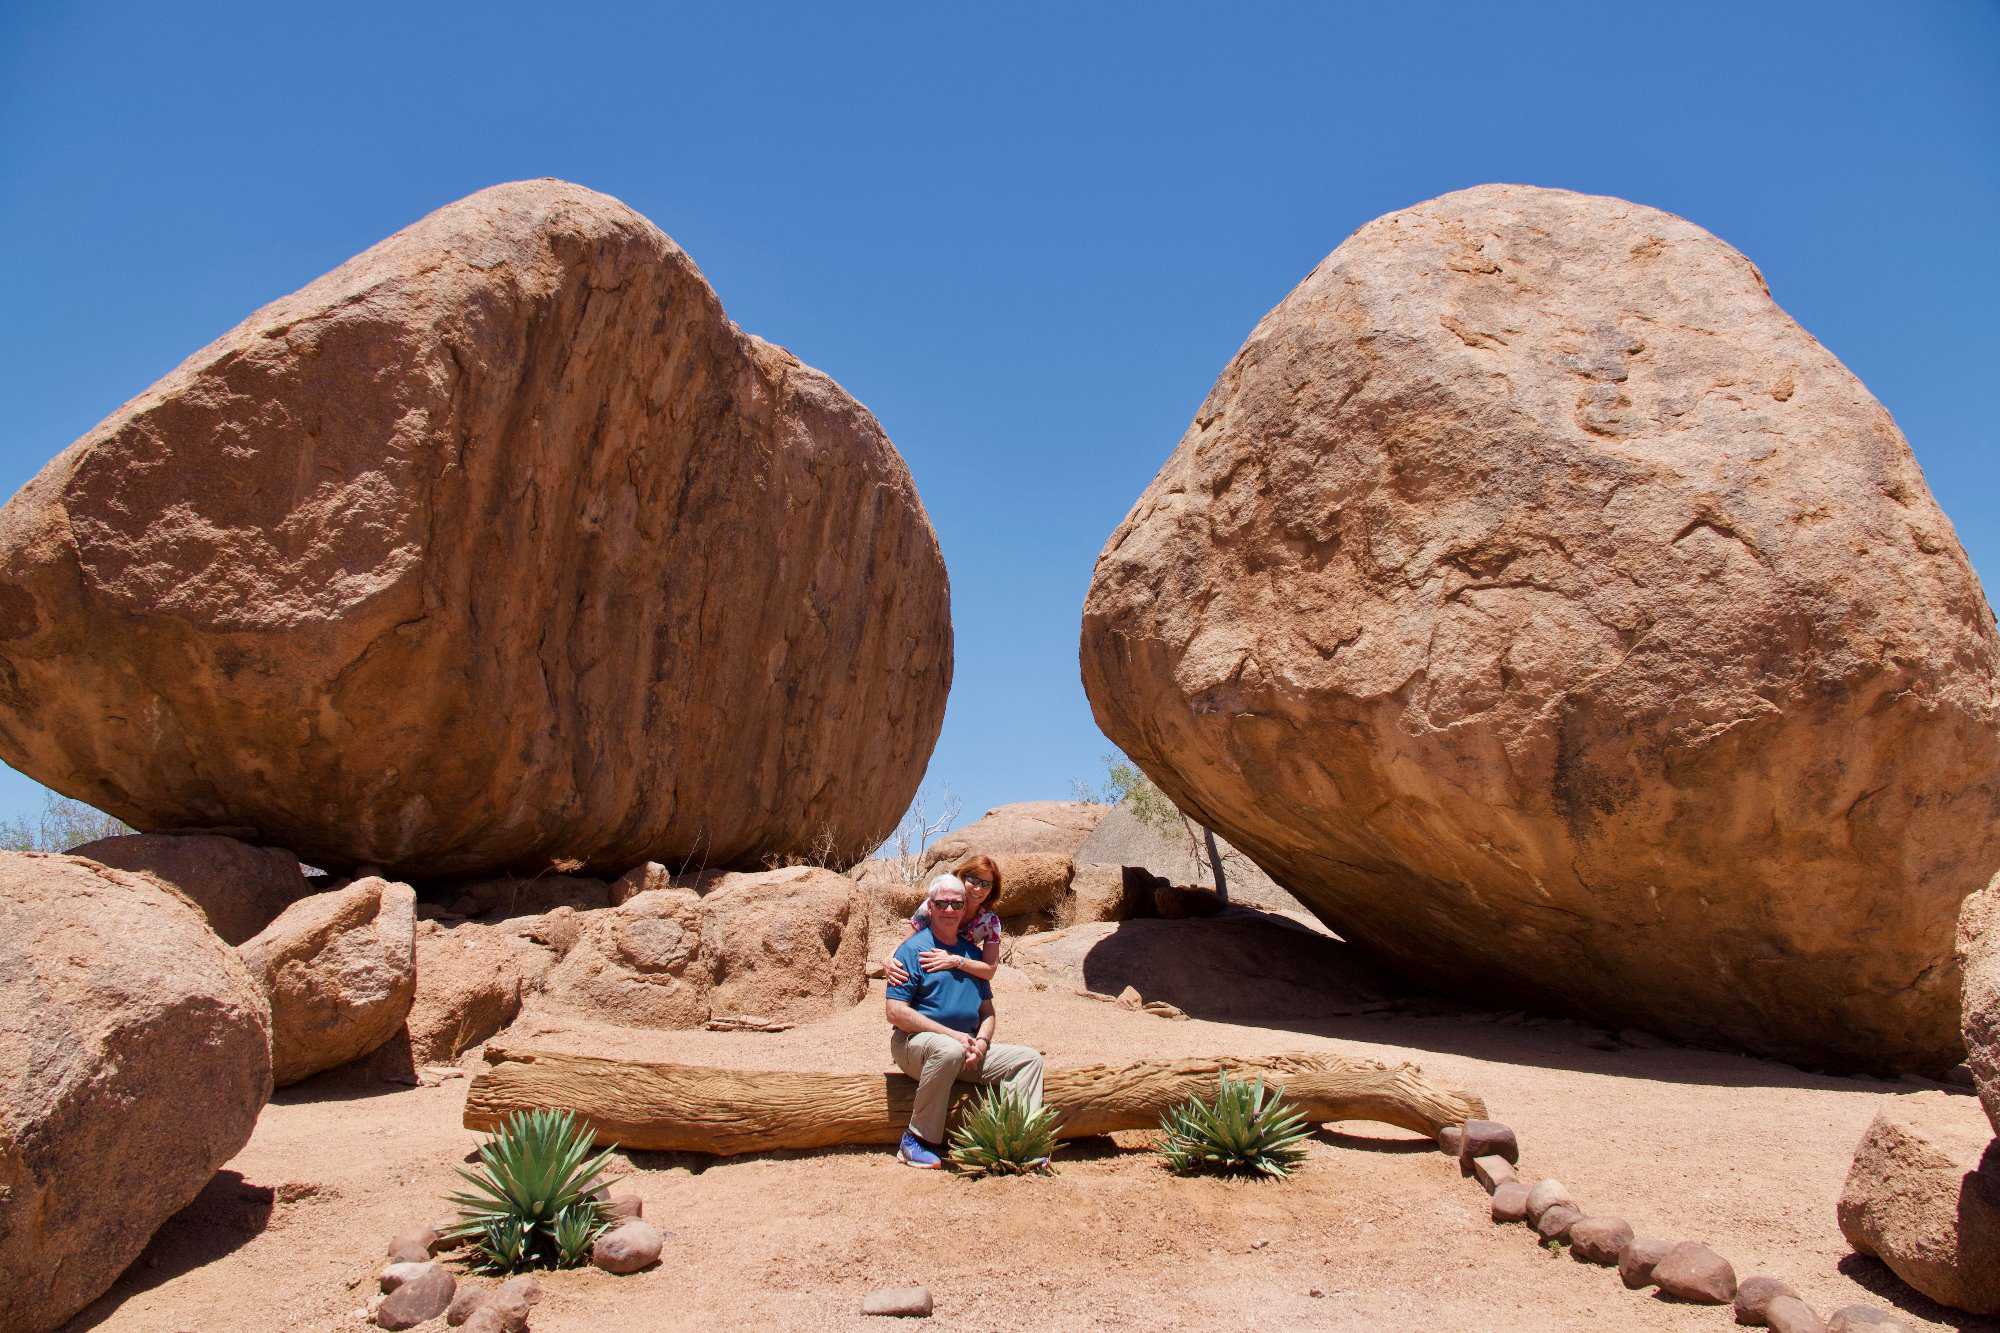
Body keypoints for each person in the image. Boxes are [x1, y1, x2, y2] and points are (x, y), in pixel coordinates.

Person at [883, 873, 1045, 1168]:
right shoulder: (912, 950)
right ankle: (916, 1140)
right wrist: (952, 1035)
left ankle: (1021, 1142)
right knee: (948, 1049)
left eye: (956, 905)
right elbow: (895, 1012)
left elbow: (988, 1013)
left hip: (966, 1048)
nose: (949, 910)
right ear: (930, 906)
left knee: (1029, 1060)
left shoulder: (971, 955)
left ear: (963, 909)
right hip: (914, 1045)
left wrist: (981, 1042)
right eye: (942, 903)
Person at [882, 854, 1002, 987]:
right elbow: (906, 942)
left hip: (958, 970)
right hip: (926, 960)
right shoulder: (937, 904)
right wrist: (890, 957)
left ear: (992, 889)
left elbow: (990, 971)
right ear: (962, 878)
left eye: (985, 884)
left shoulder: (990, 922)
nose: (978, 888)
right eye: (973, 880)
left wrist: (955, 960)